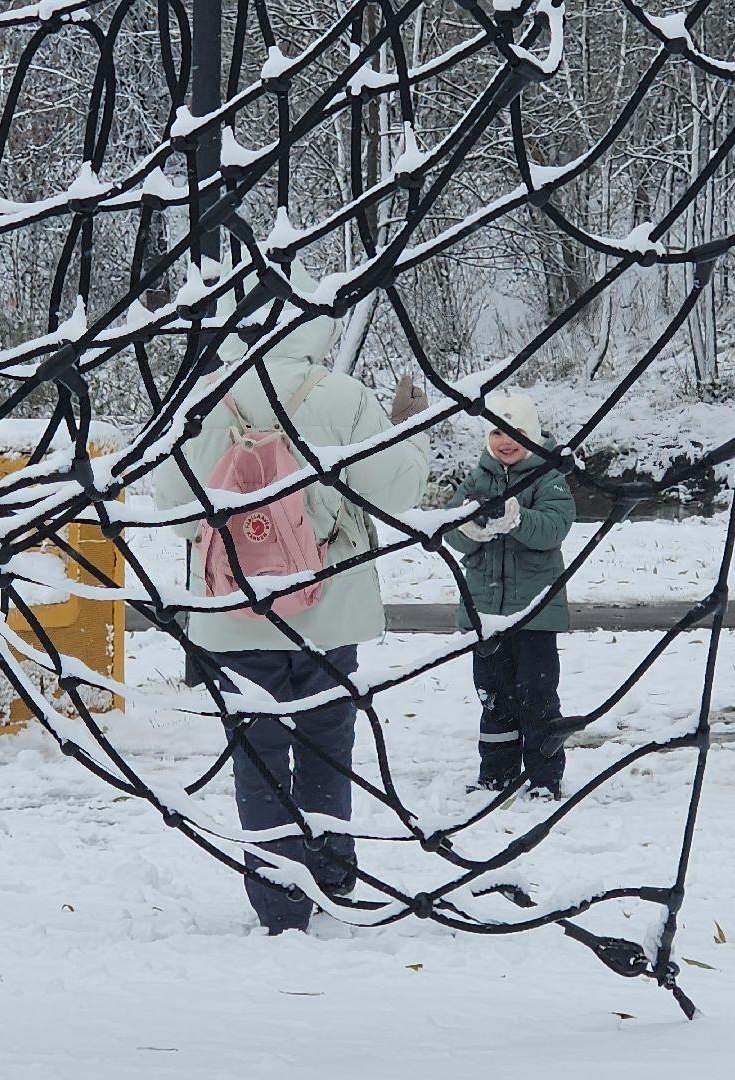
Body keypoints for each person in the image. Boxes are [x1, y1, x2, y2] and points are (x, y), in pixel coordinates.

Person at [153, 266, 429, 934]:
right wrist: (412, 432)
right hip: (327, 613)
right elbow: (397, 492)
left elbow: (172, 505)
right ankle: (330, 872)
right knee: (328, 743)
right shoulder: (343, 397)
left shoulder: (201, 396)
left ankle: (279, 903)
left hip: (232, 615)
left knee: (258, 759)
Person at [445, 392, 575, 800]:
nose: (506, 441)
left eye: (516, 432)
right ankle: (496, 774)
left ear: (531, 434)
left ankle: (544, 777)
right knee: (493, 697)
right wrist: (470, 527)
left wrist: (515, 517)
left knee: (537, 696)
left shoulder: (548, 476)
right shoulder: (477, 479)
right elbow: (450, 532)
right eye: (497, 432)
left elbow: (554, 528)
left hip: (535, 613)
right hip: (486, 613)